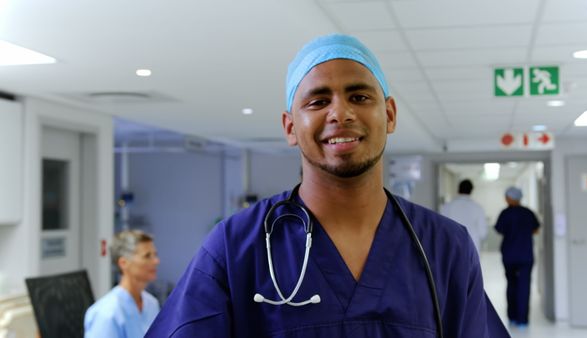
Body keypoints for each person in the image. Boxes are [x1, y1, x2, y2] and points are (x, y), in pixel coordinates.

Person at [146, 34, 508, 337]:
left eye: (360, 97)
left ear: (391, 114)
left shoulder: (445, 247)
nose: (340, 113)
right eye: (318, 101)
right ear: (290, 127)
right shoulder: (237, 246)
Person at [85, 230, 160, 338]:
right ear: (123, 263)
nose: (156, 261)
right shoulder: (107, 313)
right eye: (147, 256)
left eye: (155, 255)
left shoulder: (152, 304)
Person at [494, 187, 540, 328]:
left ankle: (512, 316)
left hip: (509, 255)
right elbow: (536, 230)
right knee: (524, 286)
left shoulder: (505, 213)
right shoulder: (528, 213)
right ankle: (523, 320)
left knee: (511, 284)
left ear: (509, 197)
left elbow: (499, 229)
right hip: (526, 255)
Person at [441, 178, 488, 253]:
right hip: (472, 248)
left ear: (458, 190)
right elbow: (483, 233)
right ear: (471, 191)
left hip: (452, 247)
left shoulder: (447, 207)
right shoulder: (478, 208)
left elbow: (442, 229)